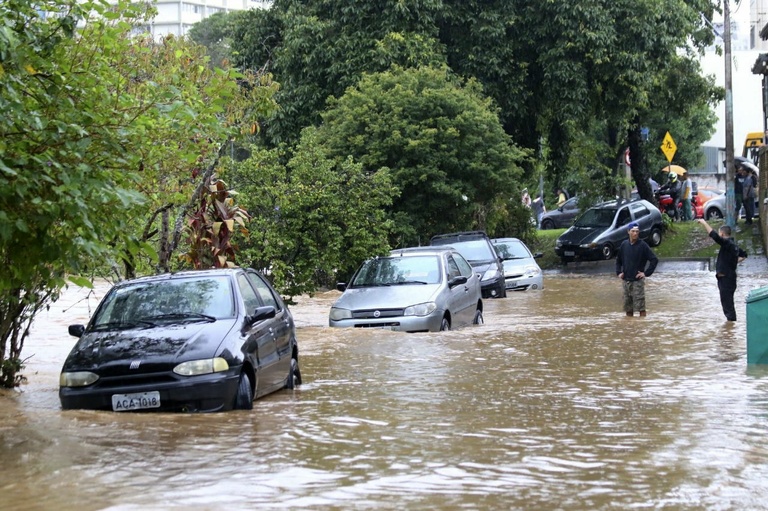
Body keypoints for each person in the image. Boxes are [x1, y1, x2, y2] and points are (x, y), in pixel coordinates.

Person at [696, 218, 748, 321]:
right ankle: (731, 329)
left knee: (728, 307)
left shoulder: (727, 244)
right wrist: (733, 261)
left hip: (726, 280)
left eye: (720, 234)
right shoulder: (734, 246)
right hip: (729, 279)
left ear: (722, 234)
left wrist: (704, 223)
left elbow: (714, 236)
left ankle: (730, 329)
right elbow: (744, 255)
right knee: (728, 305)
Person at [615, 222, 658, 317]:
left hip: (637, 282)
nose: (635, 233)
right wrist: (619, 273)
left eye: (637, 232)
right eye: (633, 231)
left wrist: (646, 273)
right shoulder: (624, 245)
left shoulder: (643, 245)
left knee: (641, 308)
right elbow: (618, 260)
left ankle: (642, 325)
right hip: (626, 281)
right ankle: (630, 327)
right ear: (628, 232)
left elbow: (654, 260)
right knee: (628, 308)